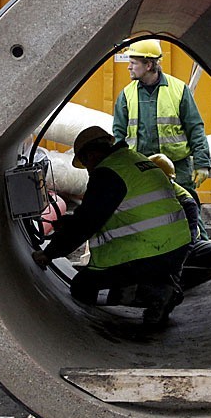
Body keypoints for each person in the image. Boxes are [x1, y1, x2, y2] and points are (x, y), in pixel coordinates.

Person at [31, 126, 191, 326]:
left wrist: (50, 253)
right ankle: (161, 286)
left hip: (149, 254)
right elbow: (117, 212)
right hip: (174, 249)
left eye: (86, 163)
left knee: (83, 289)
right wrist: (69, 224)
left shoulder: (108, 173)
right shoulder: (134, 160)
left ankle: (155, 294)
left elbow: (87, 222)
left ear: (90, 155)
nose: (89, 170)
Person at [113, 39, 211, 236]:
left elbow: (195, 128)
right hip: (141, 169)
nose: (128, 66)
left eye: (133, 62)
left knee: (189, 211)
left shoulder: (178, 90)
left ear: (148, 65)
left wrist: (202, 164)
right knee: (142, 216)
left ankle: (201, 252)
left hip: (178, 168)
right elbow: (118, 136)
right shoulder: (126, 95)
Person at [148, 153, 211, 276]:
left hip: (179, 247)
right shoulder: (138, 195)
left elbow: (190, 237)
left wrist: (177, 267)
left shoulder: (184, 200)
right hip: (149, 247)